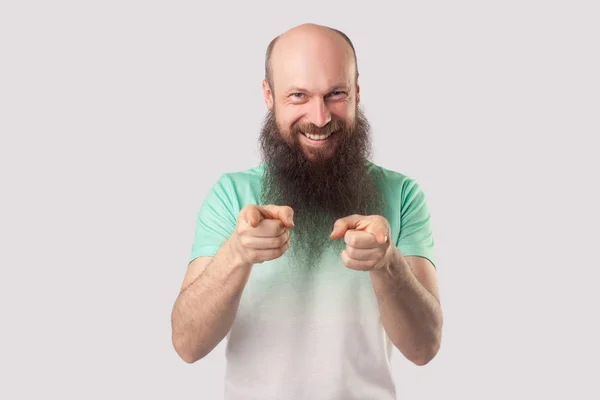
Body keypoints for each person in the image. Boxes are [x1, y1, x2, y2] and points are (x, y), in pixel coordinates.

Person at [170, 23, 443, 399]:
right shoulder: (231, 194)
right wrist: (238, 252)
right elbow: (187, 345)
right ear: (269, 95)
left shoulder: (402, 194)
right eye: (298, 95)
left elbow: (424, 348)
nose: (319, 117)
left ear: (357, 92)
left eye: (335, 94)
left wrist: (387, 263)